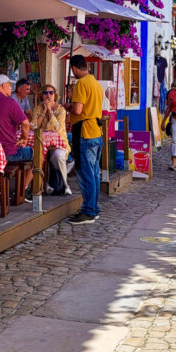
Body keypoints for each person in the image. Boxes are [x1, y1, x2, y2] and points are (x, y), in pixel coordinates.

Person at [0, 74, 32, 195]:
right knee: (37, 153)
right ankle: (23, 190)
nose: (11, 88)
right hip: (8, 153)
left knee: (2, 150)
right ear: (3, 85)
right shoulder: (10, 102)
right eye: (9, 85)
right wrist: (24, 138)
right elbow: (25, 124)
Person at [68, 54, 104, 224]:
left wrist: (66, 106)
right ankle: (93, 208)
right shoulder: (94, 82)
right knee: (94, 174)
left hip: (84, 132)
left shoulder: (81, 83)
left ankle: (89, 211)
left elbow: (77, 109)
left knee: (86, 174)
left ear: (74, 68)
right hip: (96, 132)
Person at [33, 85, 72, 196]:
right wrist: (44, 111)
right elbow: (34, 126)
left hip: (59, 144)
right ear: (42, 95)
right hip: (42, 143)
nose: (48, 95)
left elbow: (57, 128)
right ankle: (36, 187)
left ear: (55, 95)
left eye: (51, 93)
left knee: (57, 156)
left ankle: (60, 185)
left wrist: (50, 111)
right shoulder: (38, 108)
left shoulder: (61, 110)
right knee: (34, 156)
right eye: (45, 93)